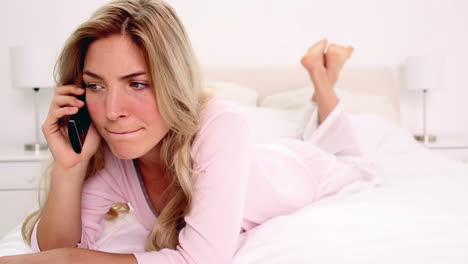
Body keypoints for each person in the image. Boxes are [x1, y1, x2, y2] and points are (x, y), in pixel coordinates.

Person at [0, 0, 379, 263]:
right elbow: (56, 247)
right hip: (259, 164)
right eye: (96, 86)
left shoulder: (221, 122)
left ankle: (321, 76)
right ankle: (322, 79)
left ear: (172, 82)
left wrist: (68, 260)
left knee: (351, 159)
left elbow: (200, 260)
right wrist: (69, 169)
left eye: (137, 84)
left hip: (299, 170)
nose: (111, 113)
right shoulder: (116, 151)